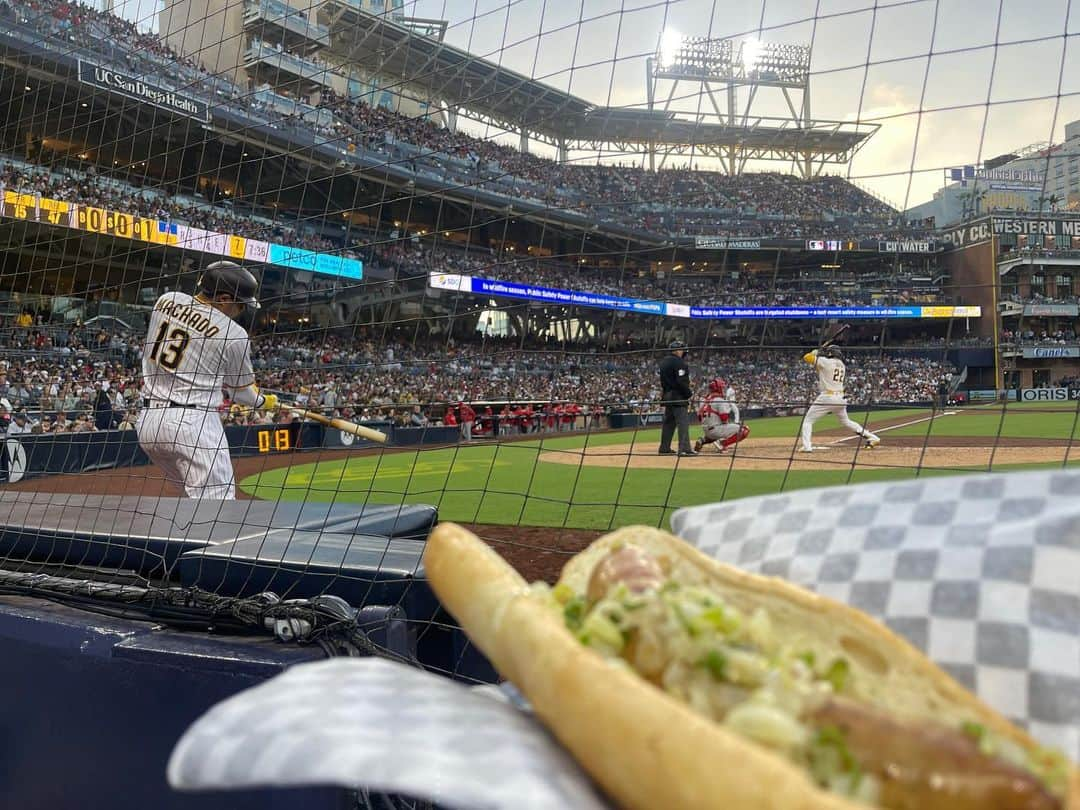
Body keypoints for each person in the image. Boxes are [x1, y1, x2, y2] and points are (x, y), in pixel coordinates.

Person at [136, 261, 278, 499]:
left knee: (196, 506)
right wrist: (264, 402)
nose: (241, 311)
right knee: (217, 509)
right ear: (223, 298)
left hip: (149, 424)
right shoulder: (234, 334)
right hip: (193, 424)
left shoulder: (166, 300)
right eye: (240, 304)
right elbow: (241, 394)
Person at [799, 345, 880, 453]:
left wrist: (815, 352)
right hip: (840, 398)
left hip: (827, 397)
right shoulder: (842, 365)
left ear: (829, 354)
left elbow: (806, 357)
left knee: (808, 421)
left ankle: (807, 447)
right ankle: (873, 437)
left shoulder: (825, 361)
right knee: (846, 421)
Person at [658, 339, 696, 456]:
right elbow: (680, 381)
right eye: (682, 350)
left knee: (668, 423)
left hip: (667, 395)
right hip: (678, 396)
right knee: (682, 423)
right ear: (678, 350)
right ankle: (684, 449)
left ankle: (664, 448)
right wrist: (688, 393)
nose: (683, 352)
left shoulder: (663, 362)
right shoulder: (679, 362)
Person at [694, 378, 750, 453]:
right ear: (718, 388)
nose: (723, 389)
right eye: (722, 387)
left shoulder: (704, 400)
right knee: (744, 430)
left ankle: (702, 440)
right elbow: (724, 418)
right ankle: (722, 444)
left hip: (706, 430)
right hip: (716, 430)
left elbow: (699, 417)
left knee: (718, 431)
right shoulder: (719, 400)